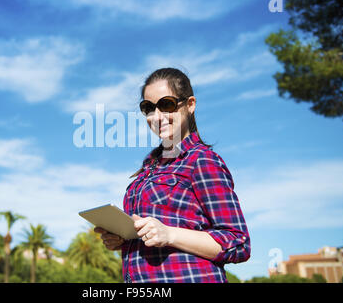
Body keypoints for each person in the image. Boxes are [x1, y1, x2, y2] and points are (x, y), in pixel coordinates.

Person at [94, 67, 251, 283]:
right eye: (148, 108)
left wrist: (169, 234)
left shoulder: (202, 161)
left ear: (190, 105)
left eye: (166, 104)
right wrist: (123, 240)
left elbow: (238, 242)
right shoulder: (148, 169)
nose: (157, 116)